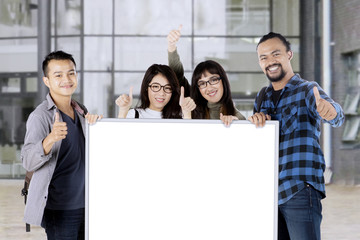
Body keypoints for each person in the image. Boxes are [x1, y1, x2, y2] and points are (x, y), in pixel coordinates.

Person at [248, 32, 345, 240]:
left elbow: (336, 116)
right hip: (270, 194)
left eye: (276, 54)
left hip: (299, 190)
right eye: (263, 57)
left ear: (289, 54)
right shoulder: (262, 96)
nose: (270, 61)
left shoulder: (307, 90)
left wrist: (331, 111)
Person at [21, 50, 102, 240]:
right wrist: (49, 139)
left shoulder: (81, 110)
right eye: (58, 75)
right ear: (47, 81)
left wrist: (96, 128)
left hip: (87, 205)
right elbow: (27, 161)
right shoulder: (40, 116)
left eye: (71, 73)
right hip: (60, 209)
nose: (67, 79)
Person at [167, 25, 245, 126]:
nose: (209, 87)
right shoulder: (193, 107)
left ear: (223, 81)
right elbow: (177, 75)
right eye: (202, 83)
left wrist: (236, 126)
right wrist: (171, 46)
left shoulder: (237, 118)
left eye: (213, 80)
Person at [115, 64, 195, 119]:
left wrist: (187, 113)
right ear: (147, 87)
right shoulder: (134, 115)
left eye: (167, 88)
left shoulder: (181, 116)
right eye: (156, 86)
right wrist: (123, 110)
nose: (161, 93)